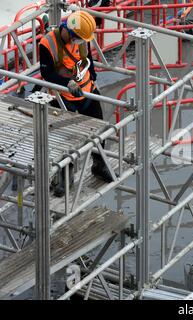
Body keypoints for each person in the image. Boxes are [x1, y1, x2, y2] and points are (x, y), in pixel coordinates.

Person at [39, 11, 113, 197]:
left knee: (99, 129)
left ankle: (99, 163)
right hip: (64, 97)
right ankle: (65, 174)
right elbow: (47, 74)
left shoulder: (82, 38)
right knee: (66, 138)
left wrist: (93, 77)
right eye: (78, 39)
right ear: (69, 32)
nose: (80, 42)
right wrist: (66, 84)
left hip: (86, 91)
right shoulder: (48, 43)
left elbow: (88, 60)